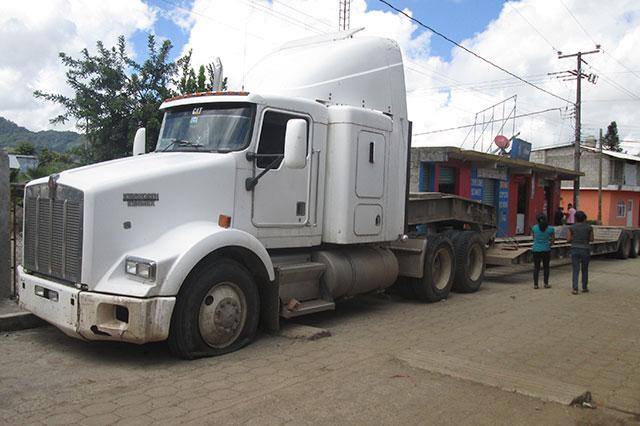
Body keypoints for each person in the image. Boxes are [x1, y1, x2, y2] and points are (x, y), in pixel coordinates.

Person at [567, 210, 594, 295]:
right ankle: (584, 287)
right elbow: (592, 239)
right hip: (585, 250)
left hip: (574, 249)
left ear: (575, 218)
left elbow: (568, 240)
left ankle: (575, 288)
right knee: (584, 269)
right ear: (584, 218)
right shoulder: (589, 227)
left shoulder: (571, 227)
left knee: (575, 269)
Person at [531, 213, 555, 289]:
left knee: (536, 267)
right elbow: (553, 240)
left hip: (536, 249)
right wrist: (550, 245)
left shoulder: (534, 228)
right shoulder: (551, 229)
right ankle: (546, 283)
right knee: (546, 267)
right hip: (546, 249)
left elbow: (533, 238)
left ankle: (535, 284)